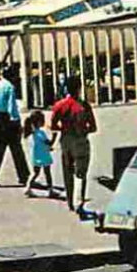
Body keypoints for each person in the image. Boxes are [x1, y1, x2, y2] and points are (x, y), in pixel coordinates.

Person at [49, 76, 97, 214]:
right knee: (81, 173)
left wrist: (63, 128)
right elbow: (93, 127)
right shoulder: (84, 106)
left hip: (66, 140)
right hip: (81, 140)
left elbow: (53, 125)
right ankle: (79, 202)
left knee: (67, 170)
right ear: (79, 88)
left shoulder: (59, 105)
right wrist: (83, 130)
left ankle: (70, 201)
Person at [0, 65, 29, 187]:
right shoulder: (9, 87)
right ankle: (24, 176)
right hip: (8, 119)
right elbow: (11, 106)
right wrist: (17, 122)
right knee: (16, 148)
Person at [22, 110, 55, 198]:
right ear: (39, 122)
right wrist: (54, 135)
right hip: (44, 156)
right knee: (47, 173)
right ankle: (50, 190)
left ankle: (28, 187)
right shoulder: (41, 133)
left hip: (35, 156)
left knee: (35, 173)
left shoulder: (32, 134)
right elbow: (49, 143)